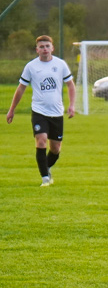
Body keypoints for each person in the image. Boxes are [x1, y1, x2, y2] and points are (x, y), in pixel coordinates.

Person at [6, 35, 76, 187]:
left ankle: (47, 167)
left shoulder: (60, 64)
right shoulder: (31, 67)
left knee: (56, 149)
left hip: (57, 112)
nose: (45, 49)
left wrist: (72, 105)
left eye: (47, 46)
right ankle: (45, 178)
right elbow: (21, 89)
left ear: (52, 48)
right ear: (37, 49)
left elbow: (70, 85)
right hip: (39, 111)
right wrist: (12, 110)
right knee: (41, 140)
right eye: (41, 47)